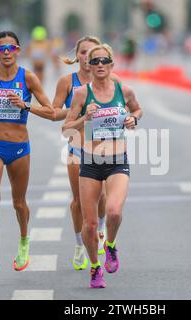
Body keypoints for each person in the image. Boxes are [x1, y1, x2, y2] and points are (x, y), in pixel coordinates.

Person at [0, 31, 55, 276]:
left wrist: (25, 105)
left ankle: (24, 240)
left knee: (18, 203)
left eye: (11, 48)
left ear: (18, 51)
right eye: (1, 48)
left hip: (19, 147)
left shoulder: (29, 79)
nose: (6, 52)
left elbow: (50, 110)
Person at [62, 44, 143, 288]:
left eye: (103, 61)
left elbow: (138, 109)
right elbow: (66, 129)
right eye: (94, 61)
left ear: (111, 64)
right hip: (91, 161)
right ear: (88, 64)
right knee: (90, 224)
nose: (98, 65)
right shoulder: (82, 94)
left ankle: (110, 245)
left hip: (118, 160)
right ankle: (95, 268)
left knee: (114, 211)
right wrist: (84, 118)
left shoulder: (124, 90)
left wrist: (133, 118)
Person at [52, 36, 121, 271]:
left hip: (100, 149)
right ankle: (79, 244)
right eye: (83, 52)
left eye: (92, 53)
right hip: (75, 147)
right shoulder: (67, 82)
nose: (87, 57)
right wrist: (77, 112)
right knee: (79, 202)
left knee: (101, 198)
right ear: (79, 56)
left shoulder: (109, 81)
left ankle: (100, 229)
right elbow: (55, 113)